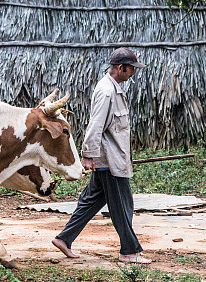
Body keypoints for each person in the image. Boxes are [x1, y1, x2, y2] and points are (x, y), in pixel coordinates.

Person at [51, 47, 152, 264]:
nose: (133, 73)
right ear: (120, 68)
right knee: (122, 206)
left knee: (91, 201)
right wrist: (88, 155)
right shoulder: (107, 91)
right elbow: (95, 126)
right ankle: (128, 250)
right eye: (130, 69)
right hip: (109, 160)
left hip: (112, 158)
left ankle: (64, 239)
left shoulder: (114, 88)